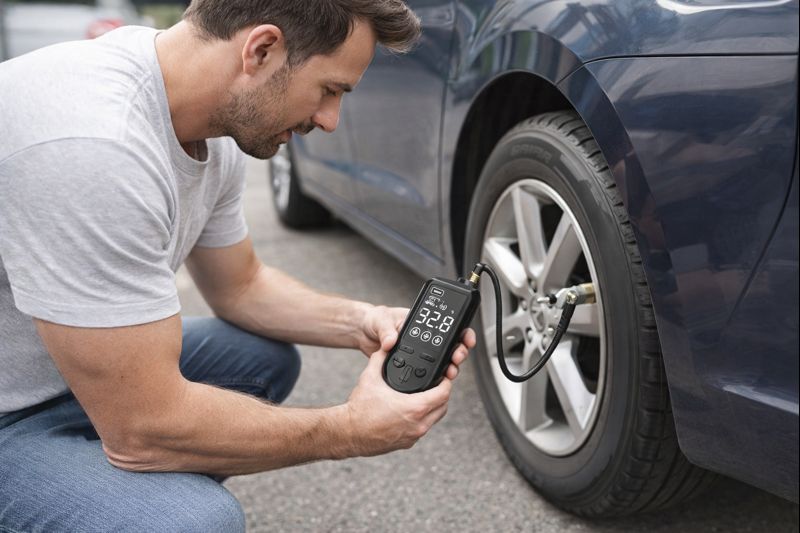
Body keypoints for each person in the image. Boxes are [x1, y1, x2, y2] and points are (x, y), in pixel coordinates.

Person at [0, 1, 476, 530]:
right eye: (330, 89)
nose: (330, 120)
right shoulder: (93, 146)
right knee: (192, 521)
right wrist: (349, 430)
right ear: (262, 50)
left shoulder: (203, 112)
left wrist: (362, 321)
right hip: (9, 413)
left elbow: (242, 287)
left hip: (59, 373)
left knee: (257, 358)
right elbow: (142, 428)